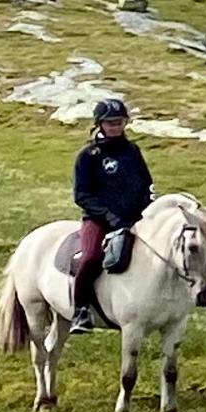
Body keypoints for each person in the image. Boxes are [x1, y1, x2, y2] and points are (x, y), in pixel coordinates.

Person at [70, 94, 151, 329]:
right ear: (100, 124)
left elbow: (146, 184)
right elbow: (82, 195)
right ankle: (81, 310)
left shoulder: (132, 151)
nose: (116, 127)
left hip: (133, 219)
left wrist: (147, 205)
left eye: (119, 122)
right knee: (91, 258)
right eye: (111, 122)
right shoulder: (88, 156)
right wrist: (109, 216)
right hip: (99, 220)